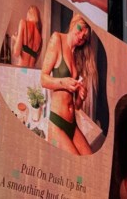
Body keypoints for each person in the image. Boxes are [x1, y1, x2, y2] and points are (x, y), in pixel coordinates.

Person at [40, 13, 98, 155]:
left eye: (85, 37)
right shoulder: (57, 39)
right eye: (80, 29)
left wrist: (81, 97)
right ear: (73, 23)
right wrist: (63, 83)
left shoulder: (76, 55)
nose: (81, 36)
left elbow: (76, 106)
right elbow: (43, 79)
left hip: (72, 124)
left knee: (90, 160)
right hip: (57, 124)